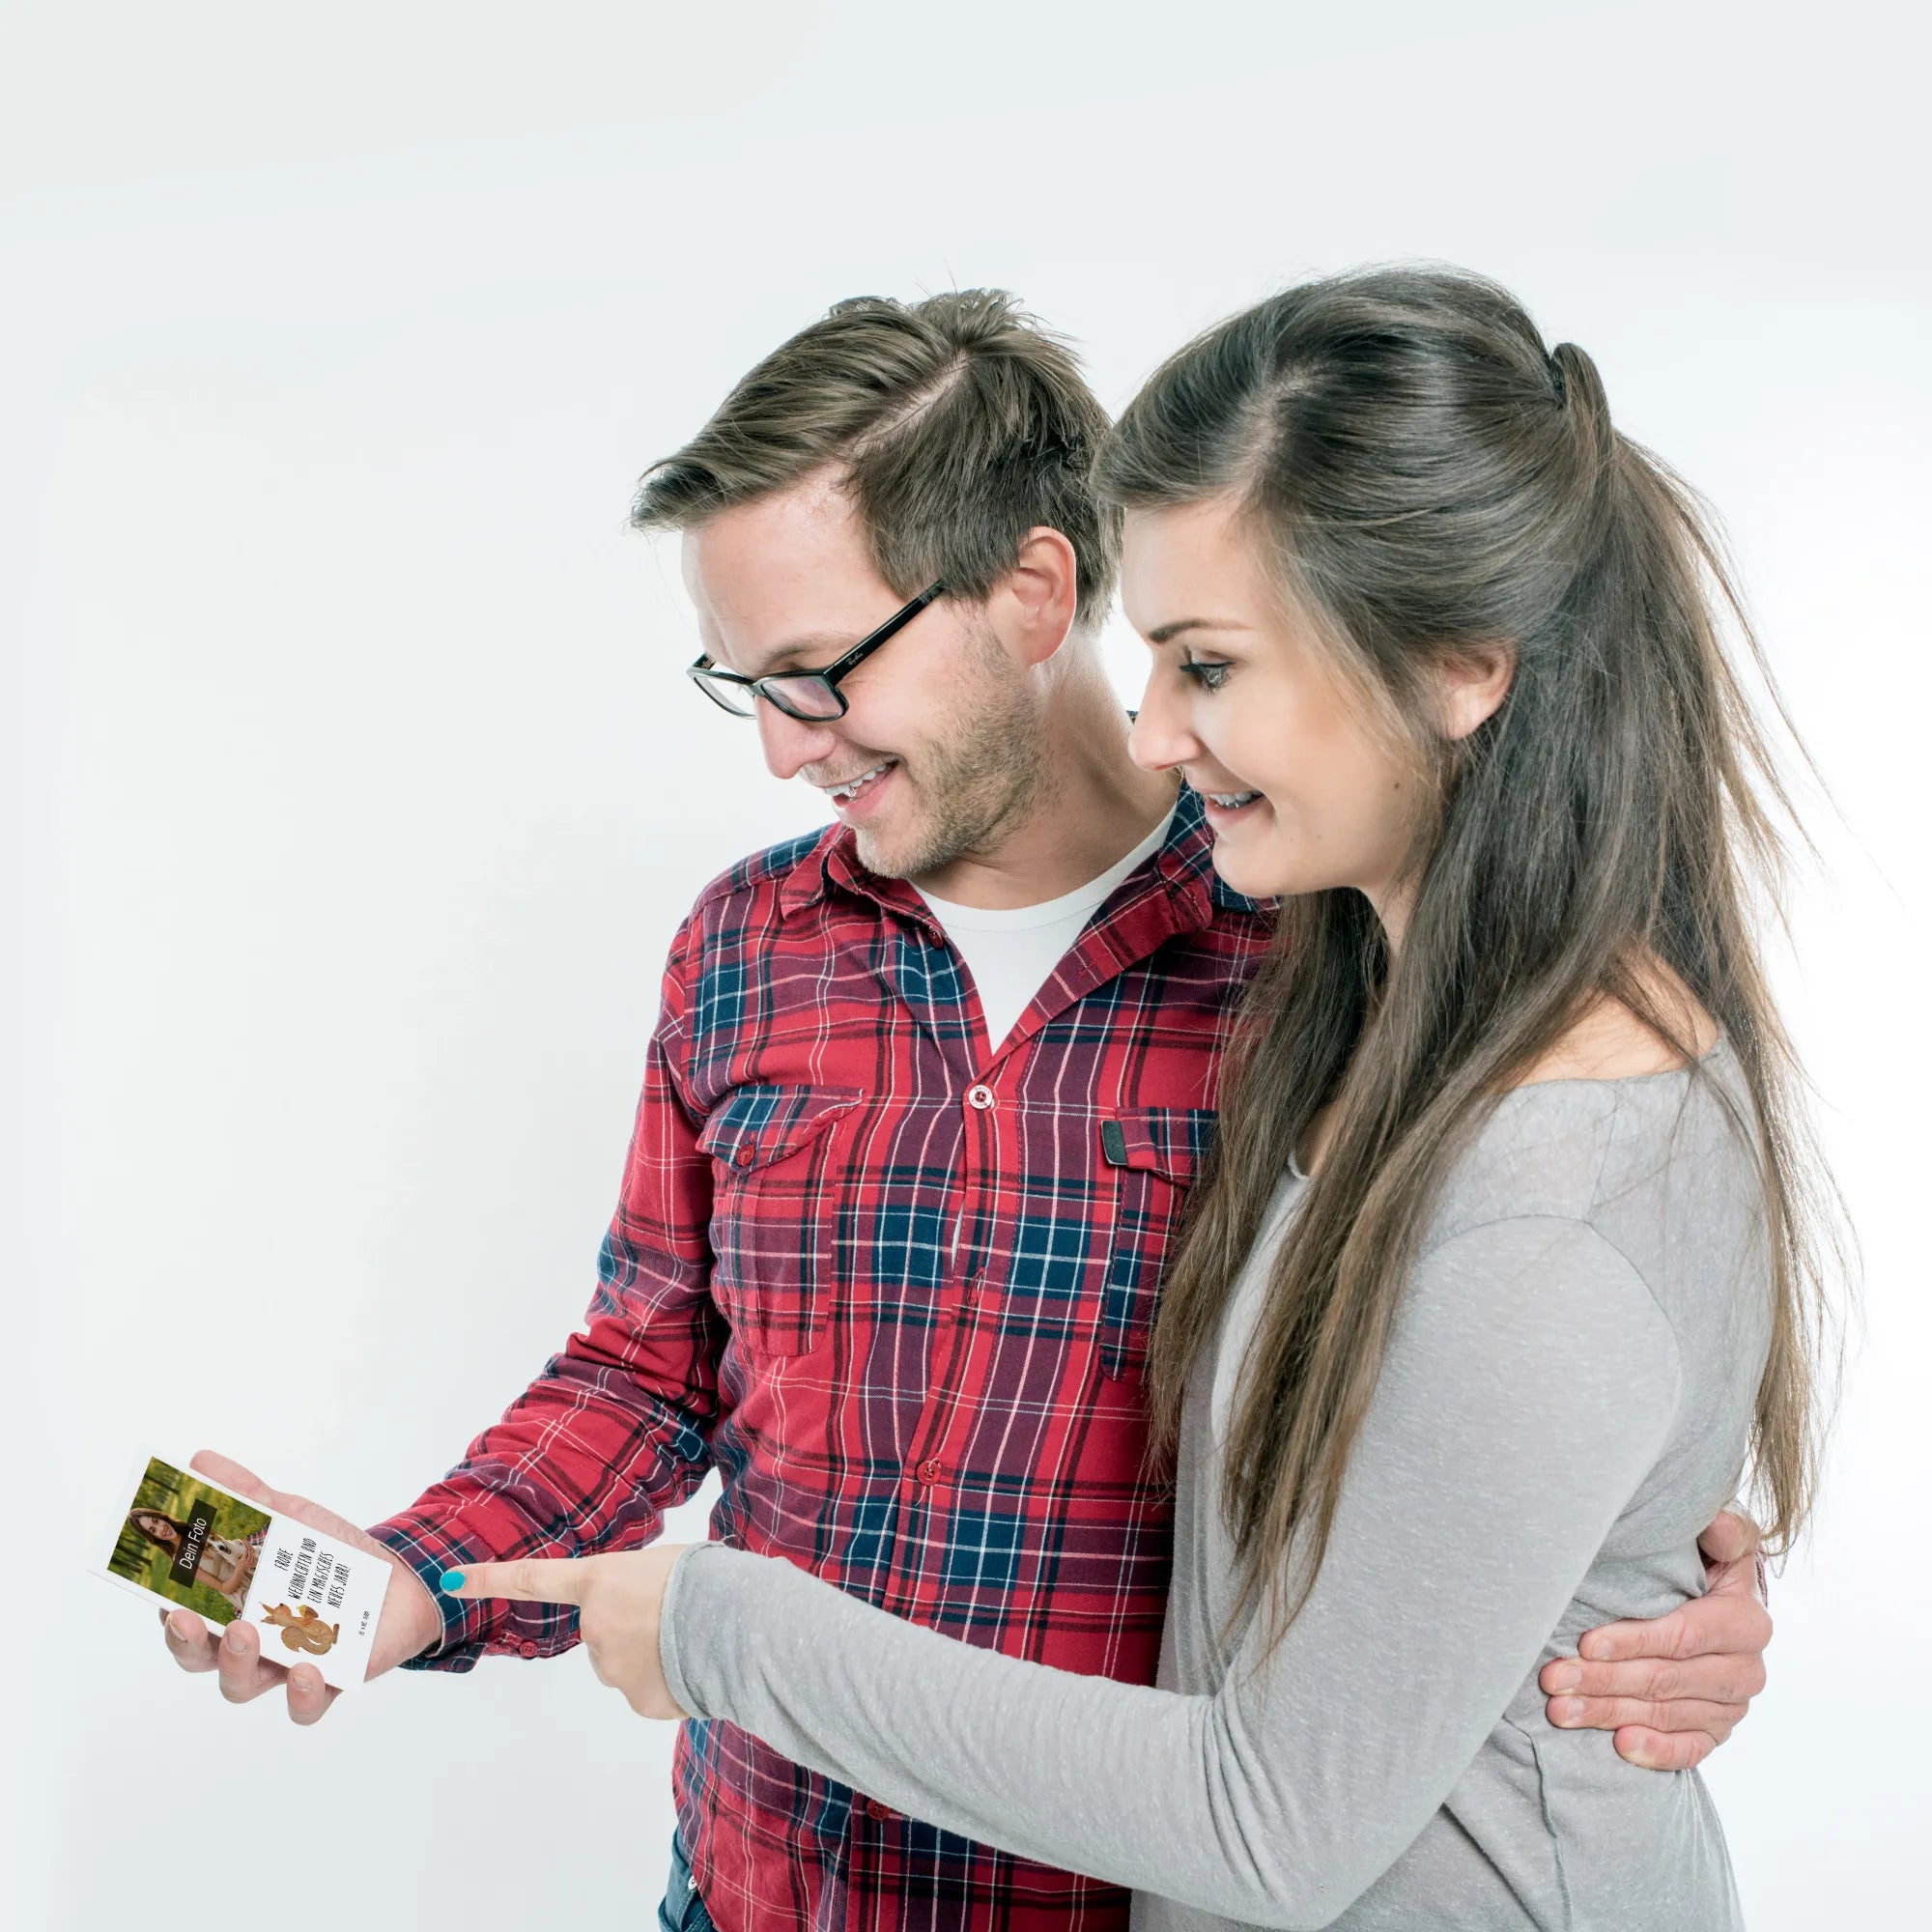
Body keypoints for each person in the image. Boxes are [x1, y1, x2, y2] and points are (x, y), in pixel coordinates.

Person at [160, 289, 1777, 1932]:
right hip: (760, 1888)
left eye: (817, 673)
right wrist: (415, 1583)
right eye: (745, 684)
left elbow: (1520, 1349)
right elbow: (646, 1369)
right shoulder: (746, 948)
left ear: (1034, 592)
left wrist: (1642, 1581)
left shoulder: (1320, 952)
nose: (783, 749)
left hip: (1110, 1897)